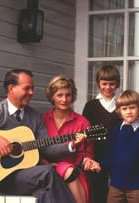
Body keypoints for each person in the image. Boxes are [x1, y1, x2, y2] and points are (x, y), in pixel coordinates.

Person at [0, 69, 76, 203]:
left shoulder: (35, 117)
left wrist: (70, 145)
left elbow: (46, 148)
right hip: (0, 178)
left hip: (26, 177)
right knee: (48, 172)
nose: (31, 93)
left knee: (45, 194)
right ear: (11, 88)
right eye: (27, 88)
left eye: (32, 88)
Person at [42, 75, 101, 203]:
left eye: (68, 95)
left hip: (74, 172)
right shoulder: (42, 120)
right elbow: (38, 149)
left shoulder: (82, 122)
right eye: (59, 95)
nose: (64, 99)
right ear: (52, 96)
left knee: (69, 171)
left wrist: (88, 161)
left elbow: (87, 152)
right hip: (47, 170)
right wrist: (47, 164)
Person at [97, 90, 139, 203]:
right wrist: (100, 166)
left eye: (132, 107)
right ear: (119, 111)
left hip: (137, 188)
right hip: (115, 186)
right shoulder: (115, 132)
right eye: (124, 109)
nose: (128, 112)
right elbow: (109, 155)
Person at [82, 64, 122, 203]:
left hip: (117, 153)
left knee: (119, 188)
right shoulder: (91, 106)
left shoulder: (121, 105)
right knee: (98, 188)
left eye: (112, 84)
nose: (108, 87)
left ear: (117, 84)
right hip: (97, 153)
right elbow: (86, 132)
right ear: (98, 83)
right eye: (104, 83)